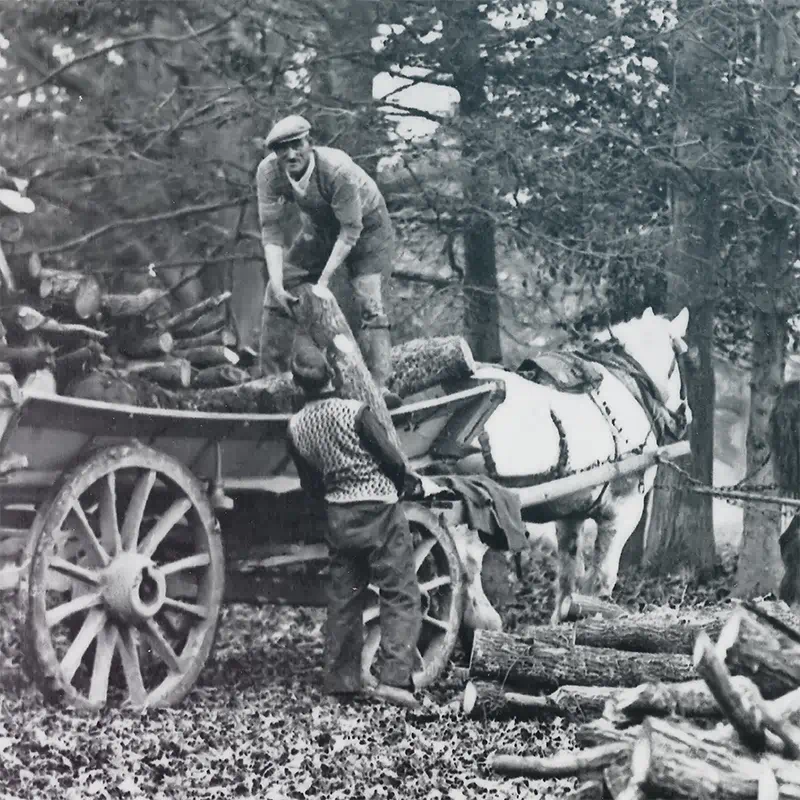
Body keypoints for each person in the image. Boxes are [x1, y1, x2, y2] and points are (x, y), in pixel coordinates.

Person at [286, 342, 422, 709]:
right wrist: (395, 490)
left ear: (298, 384)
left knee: (343, 600)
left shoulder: (296, 427)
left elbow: (310, 483)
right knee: (400, 592)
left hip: (338, 515)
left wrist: (331, 503)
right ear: (332, 374)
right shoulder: (356, 413)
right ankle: (394, 679)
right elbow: (393, 459)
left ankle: (341, 681)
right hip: (378, 509)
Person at [256, 114, 400, 407]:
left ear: (310, 143)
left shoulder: (337, 170)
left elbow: (351, 231)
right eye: (282, 148)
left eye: (297, 145)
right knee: (275, 292)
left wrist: (324, 280)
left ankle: (380, 387)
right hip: (321, 228)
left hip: (367, 228)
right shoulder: (269, 173)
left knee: (369, 301)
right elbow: (271, 231)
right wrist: (279, 282)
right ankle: (269, 383)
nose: (291, 154)